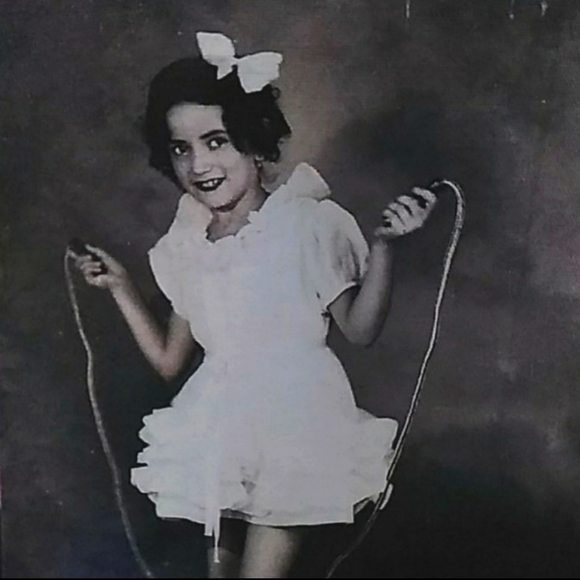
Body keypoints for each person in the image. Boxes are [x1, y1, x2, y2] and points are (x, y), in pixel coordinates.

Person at [75, 32, 436, 579]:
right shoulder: (189, 243)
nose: (199, 163)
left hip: (295, 424)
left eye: (216, 141)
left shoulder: (305, 223)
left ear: (255, 143)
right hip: (221, 429)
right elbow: (170, 361)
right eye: (181, 148)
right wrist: (123, 287)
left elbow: (360, 330)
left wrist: (383, 248)